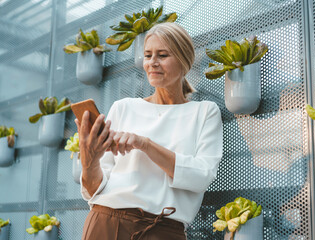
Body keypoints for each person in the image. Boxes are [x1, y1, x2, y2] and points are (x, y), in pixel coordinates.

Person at [76, 22, 223, 240]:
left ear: (184, 60)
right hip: (105, 222)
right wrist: (90, 162)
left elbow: (202, 175)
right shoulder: (123, 107)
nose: (152, 63)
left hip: (163, 230)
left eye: (162, 55)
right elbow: (94, 189)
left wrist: (144, 144)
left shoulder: (204, 112)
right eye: (147, 55)